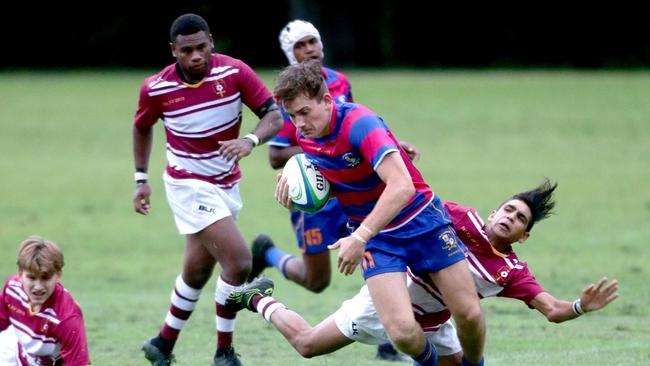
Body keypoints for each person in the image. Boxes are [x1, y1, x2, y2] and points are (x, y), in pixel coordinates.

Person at [227, 179, 619, 365]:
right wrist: (357, 232)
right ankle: (259, 298)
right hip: (385, 301)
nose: (511, 218)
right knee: (308, 345)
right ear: (495, 211)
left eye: (520, 219)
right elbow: (402, 205)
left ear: (524, 235)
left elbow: (551, 309)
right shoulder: (457, 217)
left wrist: (581, 306)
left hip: (437, 323)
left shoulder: (511, 270)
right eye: (509, 210)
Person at [269, 59, 486, 366]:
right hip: (379, 240)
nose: (299, 123)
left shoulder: (360, 123)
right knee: (400, 332)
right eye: (291, 116)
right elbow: (335, 184)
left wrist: (359, 236)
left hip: (421, 220)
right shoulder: (306, 139)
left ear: (328, 100)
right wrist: (301, 197)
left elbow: (402, 186)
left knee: (468, 313)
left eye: (305, 112)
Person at [249, 19, 419, 362]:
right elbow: (275, 155)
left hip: (350, 192)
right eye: (299, 46)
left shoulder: (339, 82)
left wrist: (386, 145)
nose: (308, 49)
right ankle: (268, 254)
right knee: (317, 281)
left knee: (374, 249)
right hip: (313, 196)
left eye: (312, 41)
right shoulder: (287, 99)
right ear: (289, 54)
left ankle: (391, 334)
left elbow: (354, 125)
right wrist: (325, 152)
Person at [132, 13, 282, 366]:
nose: (196, 56)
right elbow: (141, 127)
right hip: (187, 184)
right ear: (174, 51)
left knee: (198, 270)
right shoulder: (156, 88)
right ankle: (223, 352)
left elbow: (274, 116)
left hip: (225, 185)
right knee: (240, 261)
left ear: (211, 41)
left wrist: (249, 140)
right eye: (187, 50)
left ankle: (162, 343)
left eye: (201, 47)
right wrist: (141, 179)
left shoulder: (234, 73)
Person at [0, 236, 90, 366]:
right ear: (20, 273)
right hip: (14, 353)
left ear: (58, 274)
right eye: (31, 278)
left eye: (45, 278)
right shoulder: (12, 290)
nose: (38, 286)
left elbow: (78, 363)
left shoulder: (67, 317)